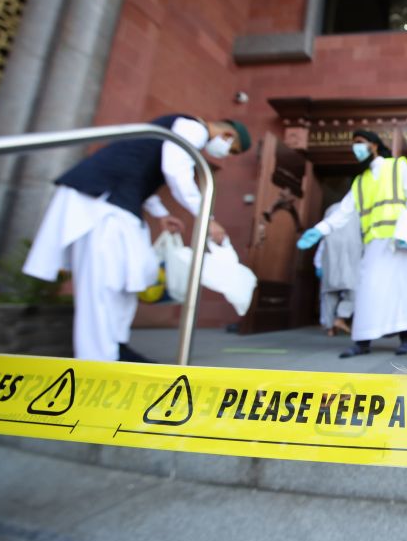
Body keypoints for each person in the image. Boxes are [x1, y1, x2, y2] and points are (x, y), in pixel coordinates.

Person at [23, 114, 251, 362]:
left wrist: (162, 214)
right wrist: (207, 217)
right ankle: (97, 360)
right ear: (228, 136)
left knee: (130, 278)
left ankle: (117, 345)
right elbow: (175, 170)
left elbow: (141, 172)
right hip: (101, 201)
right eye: (232, 149)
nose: (224, 153)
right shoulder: (192, 128)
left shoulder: (175, 131)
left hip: (121, 204)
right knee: (102, 284)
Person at [296, 130, 407, 358]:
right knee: (367, 291)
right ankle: (362, 342)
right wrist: (320, 229)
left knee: (404, 290)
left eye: (360, 143)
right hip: (375, 244)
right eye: (354, 144)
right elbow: (343, 212)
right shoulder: (360, 181)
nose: (356, 148)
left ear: (374, 145)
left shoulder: (398, 166)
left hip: (402, 240)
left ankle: (406, 341)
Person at [313, 202, 362, 336]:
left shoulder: (327, 237)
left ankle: (329, 326)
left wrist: (318, 266)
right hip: (351, 265)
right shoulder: (356, 236)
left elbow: (320, 251)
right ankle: (340, 318)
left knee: (328, 295)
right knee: (353, 292)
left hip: (330, 266)